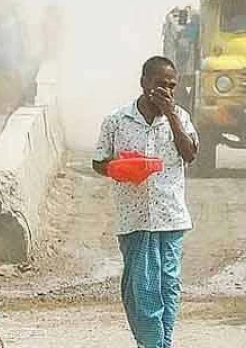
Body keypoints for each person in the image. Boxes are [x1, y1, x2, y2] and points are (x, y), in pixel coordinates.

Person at [92, 56, 198, 348]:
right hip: (134, 218)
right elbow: (99, 161)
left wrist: (172, 115)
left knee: (168, 287)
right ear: (143, 84)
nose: (166, 91)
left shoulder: (181, 118)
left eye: (171, 86)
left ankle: (159, 344)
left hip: (171, 217)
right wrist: (120, 168)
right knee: (141, 288)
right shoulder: (117, 120)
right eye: (159, 84)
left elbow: (189, 154)